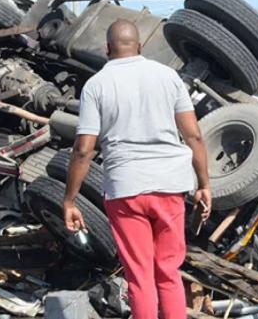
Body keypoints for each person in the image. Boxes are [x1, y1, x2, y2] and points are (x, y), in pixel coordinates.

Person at [63, 19, 211, 319]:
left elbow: (84, 149)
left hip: (126, 189)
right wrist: (204, 184)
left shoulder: (97, 85)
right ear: (140, 46)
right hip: (169, 185)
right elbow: (194, 135)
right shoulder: (168, 77)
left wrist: (70, 200)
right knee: (168, 272)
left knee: (140, 276)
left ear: (107, 48)